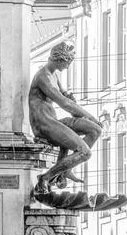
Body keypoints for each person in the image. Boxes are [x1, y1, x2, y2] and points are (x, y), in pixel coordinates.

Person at [28, 40, 102, 194]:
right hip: (43, 124)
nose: (68, 67)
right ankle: (45, 178)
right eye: (67, 63)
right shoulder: (43, 76)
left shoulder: (54, 74)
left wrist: (71, 99)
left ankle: (65, 170)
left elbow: (66, 97)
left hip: (53, 122)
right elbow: (65, 104)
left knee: (95, 130)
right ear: (60, 59)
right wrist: (90, 117)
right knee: (85, 152)